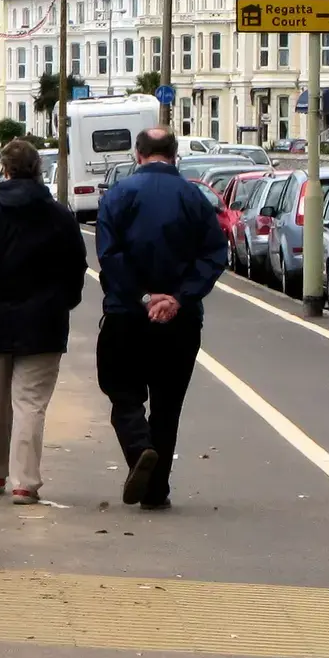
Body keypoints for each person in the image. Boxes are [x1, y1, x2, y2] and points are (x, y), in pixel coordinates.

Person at [0, 140, 87, 505]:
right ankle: (25, 482)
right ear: (38, 169)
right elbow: (77, 264)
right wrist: (66, 301)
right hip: (44, 320)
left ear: (4, 171)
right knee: (30, 403)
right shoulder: (59, 214)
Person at [95, 127, 228, 510]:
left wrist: (142, 296)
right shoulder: (194, 197)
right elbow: (214, 253)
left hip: (126, 314)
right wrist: (178, 298)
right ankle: (156, 492)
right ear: (174, 155)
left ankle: (139, 449)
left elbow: (110, 255)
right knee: (167, 406)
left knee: (122, 393)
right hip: (181, 320)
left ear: (138, 154)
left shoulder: (118, 196)